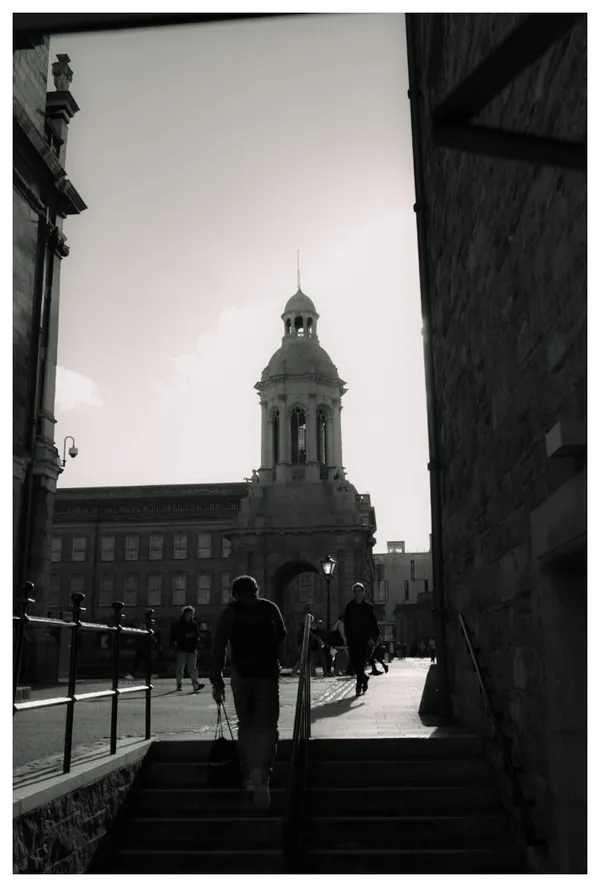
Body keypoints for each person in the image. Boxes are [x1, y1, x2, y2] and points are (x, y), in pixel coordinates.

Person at [210, 575, 286, 810]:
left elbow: (218, 645)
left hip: (241, 674)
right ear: (256, 590)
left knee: (246, 725)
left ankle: (251, 772)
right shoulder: (269, 607)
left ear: (235, 593)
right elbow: (282, 635)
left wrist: (217, 681)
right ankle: (262, 773)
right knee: (267, 726)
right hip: (267, 674)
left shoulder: (230, 612)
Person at [343, 583, 379, 697]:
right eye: (355, 592)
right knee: (354, 663)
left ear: (363, 592)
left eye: (359, 591)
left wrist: (375, 637)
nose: (357, 594)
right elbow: (346, 623)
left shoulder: (368, 607)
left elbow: (374, 624)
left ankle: (359, 685)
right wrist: (347, 637)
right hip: (352, 638)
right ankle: (364, 678)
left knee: (362, 662)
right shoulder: (349, 606)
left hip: (364, 639)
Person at [173, 606, 204, 693]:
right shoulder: (179, 624)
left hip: (192, 649)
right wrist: (185, 636)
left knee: (193, 668)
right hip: (182, 649)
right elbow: (177, 636)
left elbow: (197, 636)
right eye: (190, 613)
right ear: (186, 614)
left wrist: (196, 640)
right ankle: (179, 684)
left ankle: (195, 685)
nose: (192, 615)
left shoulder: (194, 624)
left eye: (192, 613)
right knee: (180, 668)